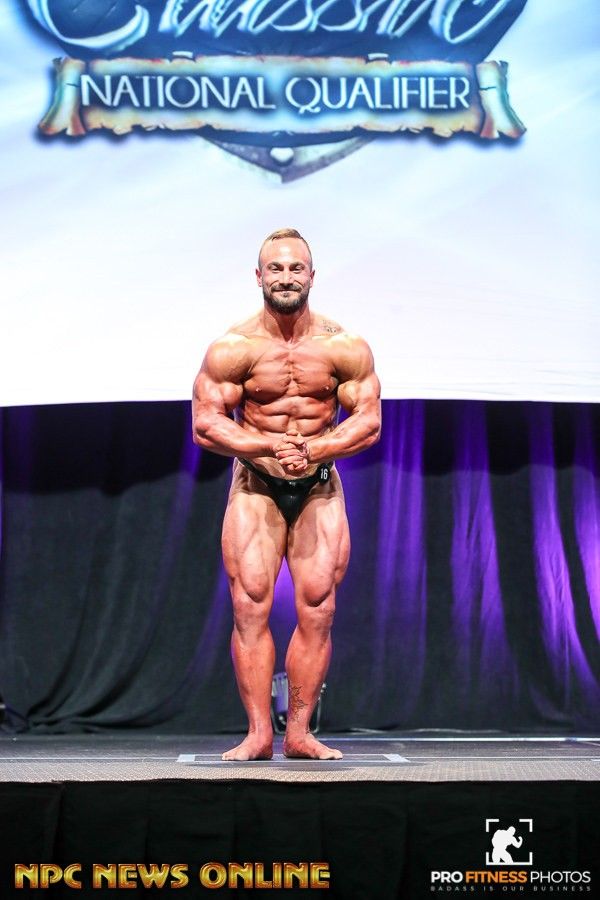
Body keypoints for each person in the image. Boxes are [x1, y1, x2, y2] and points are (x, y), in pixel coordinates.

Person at [192, 228, 381, 760]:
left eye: (295, 268)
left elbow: (368, 422)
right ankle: (258, 734)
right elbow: (206, 425)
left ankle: (298, 733)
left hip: (318, 485)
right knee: (249, 604)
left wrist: (315, 450)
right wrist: (268, 446)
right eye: (275, 268)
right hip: (256, 485)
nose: (286, 277)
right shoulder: (233, 348)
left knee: (318, 607)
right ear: (259, 277)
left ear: (311, 276)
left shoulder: (344, 346)